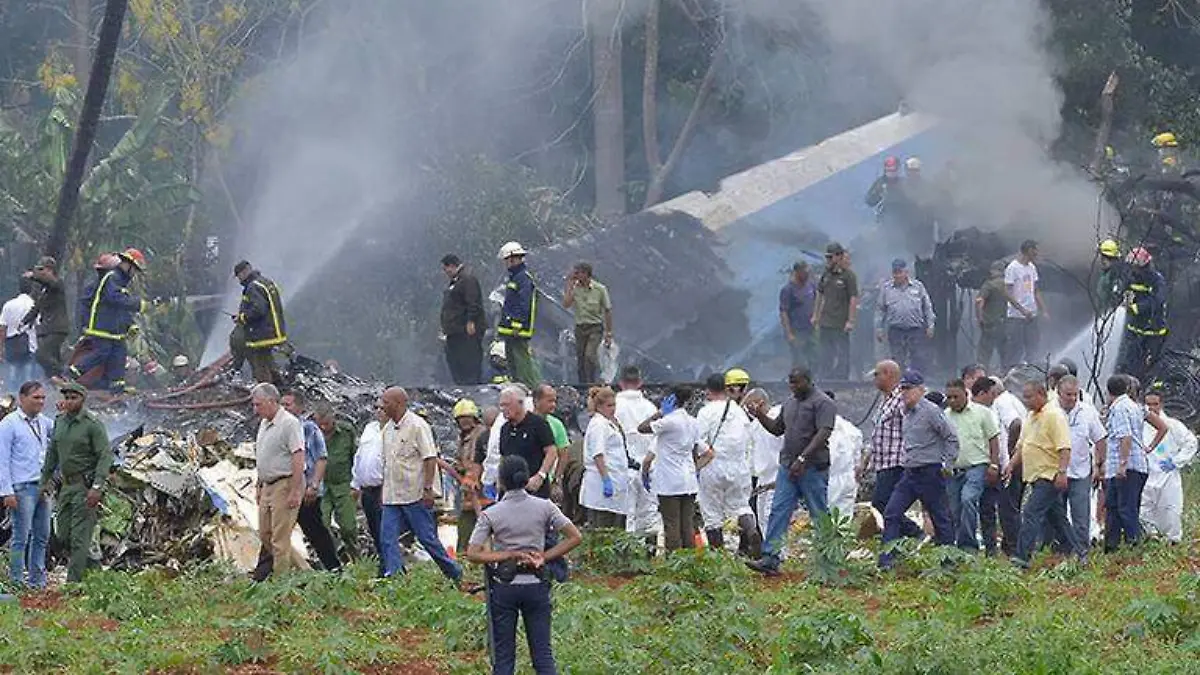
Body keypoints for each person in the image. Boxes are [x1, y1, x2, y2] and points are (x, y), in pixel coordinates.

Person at [467, 455, 582, 675]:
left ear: (501, 481)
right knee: (543, 655)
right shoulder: (545, 507)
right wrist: (545, 556)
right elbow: (575, 537)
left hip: (504, 587)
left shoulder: (492, 513)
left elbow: (473, 553)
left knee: (503, 658)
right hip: (536, 584)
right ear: (526, 478)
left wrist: (506, 553)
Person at [744, 367, 836, 576]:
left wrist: (803, 457)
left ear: (808, 381)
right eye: (790, 383)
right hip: (788, 466)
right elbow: (777, 428)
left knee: (819, 512)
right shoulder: (790, 403)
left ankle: (829, 559)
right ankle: (770, 558)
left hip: (812, 467)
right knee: (778, 510)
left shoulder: (823, 403)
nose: (793, 387)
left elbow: (824, 432)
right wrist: (759, 415)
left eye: (797, 383)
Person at [378, 387, 461, 580]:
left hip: (414, 493)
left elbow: (429, 458)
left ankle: (453, 571)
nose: (382, 406)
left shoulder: (418, 426)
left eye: (386, 402)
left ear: (399, 403)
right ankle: (395, 576)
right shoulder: (387, 429)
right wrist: (383, 491)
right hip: (392, 495)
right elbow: (387, 463)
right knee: (387, 538)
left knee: (426, 538)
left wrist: (428, 489)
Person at [877, 370, 957, 567]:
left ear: (921, 389)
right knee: (891, 512)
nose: (904, 393)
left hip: (930, 471)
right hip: (910, 472)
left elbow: (951, 437)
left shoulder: (931, 411)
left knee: (940, 518)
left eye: (908, 389)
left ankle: (948, 562)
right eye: (902, 389)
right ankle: (887, 560)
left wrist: (947, 464)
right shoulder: (906, 412)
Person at [1004, 381, 1086, 567]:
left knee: (1031, 512)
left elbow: (1064, 447)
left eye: (1029, 396)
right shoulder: (1031, 417)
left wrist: (1062, 472)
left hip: (1048, 475)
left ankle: (1021, 557)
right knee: (1057, 517)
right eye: (1024, 397)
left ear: (1041, 394)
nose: (1026, 401)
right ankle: (1078, 551)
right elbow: (1022, 446)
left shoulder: (1054, 416)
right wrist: (1010, 465)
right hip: (1033, 475)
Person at [38, 382, 112, 582]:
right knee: (62, 534)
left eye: (74, 398)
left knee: (79, 537)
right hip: (66, 486)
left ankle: (74, 584)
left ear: (82, 399)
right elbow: (52, 454)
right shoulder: (60, 422)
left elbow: (105, 456)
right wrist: (44, 481)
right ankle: (94, 568)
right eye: (67, 398)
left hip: (85, 487)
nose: (69, 401)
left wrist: (97, 487)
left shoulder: (92, 424)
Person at [497, 385, 567, 581]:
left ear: (520, 404)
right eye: (501, 406)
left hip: (535, 489)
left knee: (544, 531)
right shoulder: (505, 429)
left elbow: (552, 451)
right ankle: (513, 570)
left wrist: (541, 475)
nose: (503, 410)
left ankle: (556, 573)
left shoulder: (538, 424)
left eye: (506, 405)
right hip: (511, 491)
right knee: (512, 530)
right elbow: (504, 458)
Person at [695, 372, 757, 555]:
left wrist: (703, 455)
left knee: (712, 513)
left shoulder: (705, 411)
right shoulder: (739, 411)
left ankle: (718, 556)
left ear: (708, 391)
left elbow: (697, 439)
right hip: (739, 466)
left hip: (712, 465)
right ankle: (751, 532)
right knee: (741, 506)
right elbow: (748, 439)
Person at [68, 248, 146, 393]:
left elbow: (119, 309)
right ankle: (70, 374)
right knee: (102, 353)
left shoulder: (120, 282)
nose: (134, 273)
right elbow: (115, 299)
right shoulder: (113, 277)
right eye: (134, 269)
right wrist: (138, 304)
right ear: (127, 264)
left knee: (119, 357)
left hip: (115, 331)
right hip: (103, 328)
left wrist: (130, 325)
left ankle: (117, 389)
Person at [1102, 375, 1166, 552]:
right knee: (1114, 506)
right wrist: (1147, 448)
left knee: (1126, 508)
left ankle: (1135, 547)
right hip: (1128, 466)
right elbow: (1162, 427)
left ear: (1109, 391)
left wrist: (1123, 464)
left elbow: (1126, 436)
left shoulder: (1121, 408)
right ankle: (1111, 547)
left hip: (1127, 467)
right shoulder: (1136, 407)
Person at [279, 392, 342, 573]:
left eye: (289, 405)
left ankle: (334, 569)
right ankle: (268, 572)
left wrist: (313, 485)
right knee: (277, 532)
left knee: (315, 531)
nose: (285, 408)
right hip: (284, 490)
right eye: (282, 404)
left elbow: (321, 459)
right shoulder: (278, 428)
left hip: (306, 491)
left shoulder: (308, 429)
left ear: (299, 408)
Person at [0, 381, 54, 588]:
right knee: (20, 537)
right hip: (21, 487)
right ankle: (16, 581)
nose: (40, 402)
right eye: (36, 398)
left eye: (42, 398)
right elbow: (2, 460)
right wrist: (6, 492)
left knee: (42, 536)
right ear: (22, 398)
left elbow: (62, 433)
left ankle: (37, 582)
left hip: (42, 486)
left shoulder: (44, 422)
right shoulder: (9, 424)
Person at [861, 360, 922, 538]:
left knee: (883, 504)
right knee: (886, 505)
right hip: (882, 462)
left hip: (896, 461)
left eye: (877, 374)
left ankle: (914, 533)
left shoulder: (901, 400)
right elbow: (877, 433)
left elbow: (912, 428)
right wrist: (865, 461)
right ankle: (897, 540)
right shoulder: (885, 401)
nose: (875, 379)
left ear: (889, 374)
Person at [638, 384, 702, 552]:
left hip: (669, 481)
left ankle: (673, 562)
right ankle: (689, 562)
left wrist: (660, 412)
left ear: (671, 400)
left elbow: (642, 428)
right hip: (688, 479)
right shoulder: (693, 422)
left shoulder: (669, 421)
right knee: (687, 524)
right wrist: (696, 473)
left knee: (671, 523)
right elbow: (694, 452)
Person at [943, 379, 1000, 551]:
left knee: (968, 499)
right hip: (953, 470)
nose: (952, 401)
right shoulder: (945, 416)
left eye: (956, 397)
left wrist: (994, 465)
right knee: (954, 509)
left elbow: (993, 439)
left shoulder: (982, 413)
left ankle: (968, 545)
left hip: (977, 467)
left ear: (965, 394)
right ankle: (958, 546)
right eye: (949, 397)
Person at [1140, 389, 1197, 543]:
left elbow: (1191, 443)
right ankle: (1150, 538)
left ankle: (1173, 539)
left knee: (1170, 508)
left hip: (1167, 475)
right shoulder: (1139, 425)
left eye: (1155, 404)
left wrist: (1177, 461)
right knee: (1145, 509)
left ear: (1161, 404)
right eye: (1148, 405)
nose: (1152, 408)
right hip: (1146, 474)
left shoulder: (1173, 425)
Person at [1056, 376, 1107, 549]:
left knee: (1081, 515)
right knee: (1057, 515)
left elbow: (1100, 438)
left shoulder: (1087, 412)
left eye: (1075, 394)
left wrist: (1101, 465)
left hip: (1081, 472)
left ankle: (1081, 552)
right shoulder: (1050, 412)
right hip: (1055, 472)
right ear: (1058, 393)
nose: (1071, 398)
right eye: (1068, 394)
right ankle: (1061, 549)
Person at [613, 366, 661, 547]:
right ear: (640, 382)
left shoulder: (614, 405)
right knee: (649, 516)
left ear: (620, 382)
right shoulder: (650, 407)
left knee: (627, 515)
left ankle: (627, 557)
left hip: (623, 469)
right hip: (648, 468)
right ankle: (648, 557)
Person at [580, 386, 632, 528]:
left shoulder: (609, 423)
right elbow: (598, 454)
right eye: (609, 405)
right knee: (602, 527)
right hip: (601, 483)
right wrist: (606, 479)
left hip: (616, 481)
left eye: (614, 405)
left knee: (614, 525)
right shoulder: (598, 424)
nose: (613, 409)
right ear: (599, 407)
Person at [1116, 247, 1168, 382]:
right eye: (1132, 266)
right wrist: (1124, 300)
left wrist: (1137, 308)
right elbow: (1125, 291)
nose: (1133, 270)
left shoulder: (1156, 280)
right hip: (1135, 330)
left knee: (1152, 367)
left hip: (1154, 332)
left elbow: (1158, 300)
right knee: (1131, 365)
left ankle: (1151, 391)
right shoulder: (1131, 278)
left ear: (1145, 266)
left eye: (1136, 267)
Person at [875, 258, 935, 374]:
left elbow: (927, 307)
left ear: (906, 272)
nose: (897, 275)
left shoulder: (918, 287)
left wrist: (930, 325)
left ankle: (917, 385)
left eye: (899, 272)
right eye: (895, 272)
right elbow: (880, 310)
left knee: (918, 358)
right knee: (897, 361)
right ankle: (899, 386)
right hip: (896, 330)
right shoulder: (887, 288)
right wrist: (879, 328)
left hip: (915, 329)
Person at [231, 261, 287, 384]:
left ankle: (266, 394)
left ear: (245, 271)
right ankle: (281, 388)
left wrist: (242, 318)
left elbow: (258, 309)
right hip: (273, 331)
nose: (239, 279)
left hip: (262, 334)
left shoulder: (253, 287)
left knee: (260, 366)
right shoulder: (266, 282)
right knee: (268, 361)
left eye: (239, 275)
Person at [315, 405, 359, 559]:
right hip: (320, 487)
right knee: (321, 525)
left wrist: (356, 484)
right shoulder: (311, 433)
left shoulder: (346, 432)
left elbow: (356, 457)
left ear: (333, 418)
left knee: (348, 526)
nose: (323, 427)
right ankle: (328, 561)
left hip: (343, 485)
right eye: (320, 424)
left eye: (326, 423)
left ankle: (356, 559)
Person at [497, 242, 541, 388]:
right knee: (512, 360)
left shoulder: (523, 278)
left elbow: (524, 303)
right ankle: (518, 386)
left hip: (517, 328)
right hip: (511, 328)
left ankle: (531, 388)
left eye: (506, 261)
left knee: (522, 360)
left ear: (512, 259)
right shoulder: (515, 277)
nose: (505, 264)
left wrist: (517, 323)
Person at [813, 242, 858, 380]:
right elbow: (820, 294)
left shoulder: (848, 276)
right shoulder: (826, 274)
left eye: (830, 257)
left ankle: (842, 378)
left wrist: (850, 320)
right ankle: (826, 377)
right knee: (826, 351)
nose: (828, 260)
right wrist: (815, 315)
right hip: (826, 320)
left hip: (840, 322)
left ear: (839, 257)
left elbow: (853, 298)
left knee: (842, 351)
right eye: (827, 257)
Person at [562, 262, 613, 384]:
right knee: (580, 358)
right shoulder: (575, 289)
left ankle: (592, 382)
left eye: (578, 273)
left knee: (589, 355)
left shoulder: (600, 289)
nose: (576, 276)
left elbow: (607, 310)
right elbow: (566, 304)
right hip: (580, 328)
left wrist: (609, 332)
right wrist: (569, 285)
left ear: (586, 274)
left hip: (595, 327)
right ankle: (583, 384)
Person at [440, 254, 486, 385]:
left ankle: (471, 387)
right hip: (454, 332)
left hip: (466, 332)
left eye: (446, 269)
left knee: (469, 363)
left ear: (453, 265)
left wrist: (471, 321)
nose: (445, 273)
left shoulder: (468, 280)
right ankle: (461, 386)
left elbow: (473, 302)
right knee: (455, 361)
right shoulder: (455, 282)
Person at [450, 398, 487, 556]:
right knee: (467, 522)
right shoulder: (464, 437)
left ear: (474, 418)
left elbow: (478, 461)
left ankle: (473, 555)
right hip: (468, 489)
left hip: (479, 489)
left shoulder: (480, 435)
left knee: (478, 522)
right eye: (461, 419)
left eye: (467, 418)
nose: (464, 422)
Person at [744, 388, 782, 540]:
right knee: (762, 520)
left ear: (760, 403)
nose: (748, 411)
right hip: (762, 480)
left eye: (750, 406)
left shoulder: (777, 417)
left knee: (771, 517)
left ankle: (778, 554)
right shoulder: (755, 426)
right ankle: (770, 554)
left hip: (777, 478)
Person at [22, 257, 69, 379]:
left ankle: (65, 374)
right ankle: (58, 383)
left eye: (42, 269)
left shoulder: (58, 284)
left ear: (50, 270)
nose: (39, 272)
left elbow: (49, 282)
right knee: (53, 358)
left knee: (41, 355)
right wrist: (24, 321)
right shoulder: (45, 290)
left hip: (57, 328)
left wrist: (34, 276)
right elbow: (37, 307)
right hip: (46, 329)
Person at [352, 405, 387, 568]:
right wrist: (355, 483)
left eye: (383, 407)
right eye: (377, 407)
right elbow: (360, 456)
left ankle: (390, 566)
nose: (379, 410)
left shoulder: (395, 431)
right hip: (366, 488)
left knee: (384, 530)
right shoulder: (370, 428)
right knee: (374, 529)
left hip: (383, 489)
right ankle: (384, 562)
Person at [1002, 240, 1047, 368]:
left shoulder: (1032, 267)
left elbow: (1036, 290)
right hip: (1016, 316)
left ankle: (1031, 369)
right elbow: (1007, 293)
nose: (1037, 253)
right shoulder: (1012, 268)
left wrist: (1043, 309)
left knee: (1033, 344)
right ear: (1028, 251)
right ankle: (1010, 371)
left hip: (1032, 315)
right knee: (1015, 346)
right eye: (1035, 250)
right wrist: (1022, 310)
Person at [0, 278, 39, 394]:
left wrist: (1, 348)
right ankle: (26, 400)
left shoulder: (9, 304)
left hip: (11, 346)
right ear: (32, 289)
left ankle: (11, 400)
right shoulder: (34, 305)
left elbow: (2, 328)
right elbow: (39, 325)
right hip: (30, 345)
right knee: (27, 379)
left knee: (12, 376)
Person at [779, 262, 817, 369]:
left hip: (810, 329)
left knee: (814, 358)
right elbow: (784, 312)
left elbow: (817, 300)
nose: (807, 275)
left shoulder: (811, 286)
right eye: (805, 272)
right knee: (799, 361)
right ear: (798, 272)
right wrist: (789, 333)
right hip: (797, 331)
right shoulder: (788, 290)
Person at [974, 261, 1009, 369]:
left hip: (990, 324)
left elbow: (979, 301)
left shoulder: (989, 285)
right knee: (1005, 355)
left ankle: (982, 378)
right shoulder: (1009, 285)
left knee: (983, 356)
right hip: (1005, 324)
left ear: (993, 271)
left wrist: (980, 319)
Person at [1095, 239, 1127, 312]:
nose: (1101, 260)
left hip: (1110, 315)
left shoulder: (1116, 274)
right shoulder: (1107, 272)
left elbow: (1116, 297)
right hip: (1103, 312)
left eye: (1103, 257)